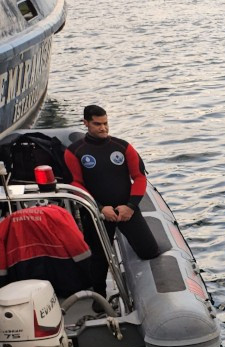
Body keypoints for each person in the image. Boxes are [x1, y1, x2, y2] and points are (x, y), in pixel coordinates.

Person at [63, 104, 161, 295]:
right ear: (86, 123)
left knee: (150, 251)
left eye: (106, 123)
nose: (103, 128)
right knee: (99, 259)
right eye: (97, 124)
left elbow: (140, 178)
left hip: (126, 209)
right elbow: (75, 184)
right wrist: (99, 208)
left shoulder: (122, 147)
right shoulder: (75, 151)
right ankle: (99, 298)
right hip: (97, 213)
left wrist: (131, 206)